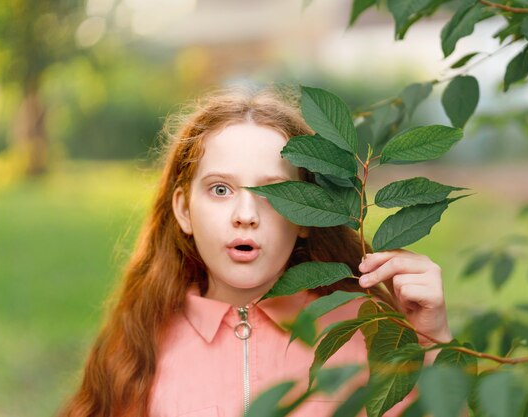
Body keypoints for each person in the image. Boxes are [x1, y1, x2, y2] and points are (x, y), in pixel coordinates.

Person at [58, 87, 452, 417]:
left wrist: (432, 339)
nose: (245, 215)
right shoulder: (139, 343)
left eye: (273, 192)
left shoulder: (365, 330)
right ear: (183, 210)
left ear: (305, 217)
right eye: (220, 189)